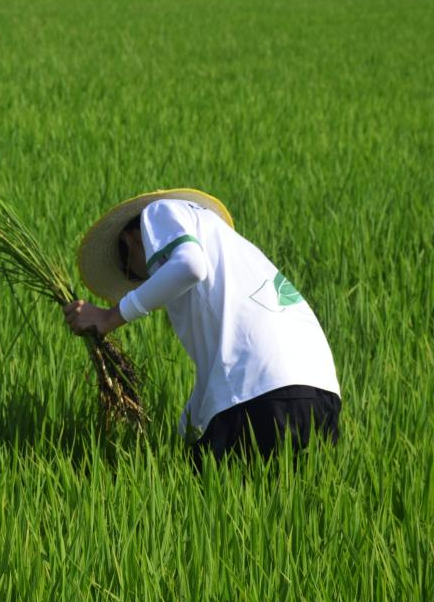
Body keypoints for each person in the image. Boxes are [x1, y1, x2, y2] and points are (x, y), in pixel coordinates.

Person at [66, 189, 341, 467]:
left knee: (204, 489)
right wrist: (179, 438)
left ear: (131, 238)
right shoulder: (237, 257)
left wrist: (110, 317)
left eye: (131, 273)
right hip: (322, 395)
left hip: (261, 396)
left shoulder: (159, 211)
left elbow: (189, 266)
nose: (143, 281)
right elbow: (218, 375)